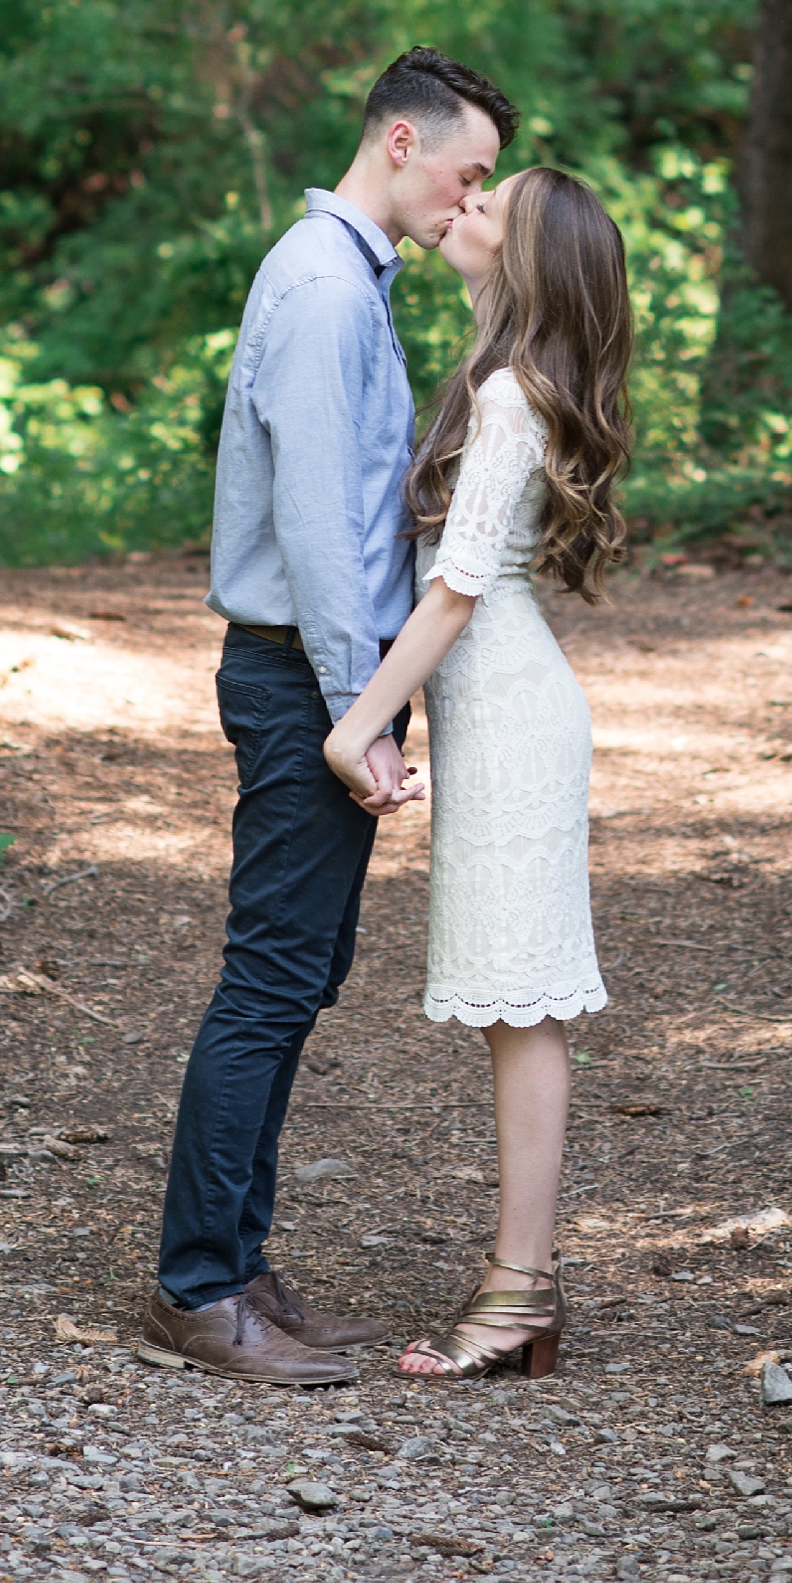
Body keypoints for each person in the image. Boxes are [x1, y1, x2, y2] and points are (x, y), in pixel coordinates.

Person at [142, 46, 518, 1389]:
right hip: (306, 674)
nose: (469, 200)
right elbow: (316, 525)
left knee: (297, 975)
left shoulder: (352, 280)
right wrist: (361, 707)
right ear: (402, 143)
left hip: (328, 675)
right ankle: (197, 1286)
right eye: (467, 172)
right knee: (268, 980)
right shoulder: (318, 287)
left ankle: (238, 1263)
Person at [320, 165, 632, 1381]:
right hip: (506, 707)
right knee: (520, 1010)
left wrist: (361, 726)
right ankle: (522, 1290)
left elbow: (454, 590)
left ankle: (517, 1296)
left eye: (487, 208)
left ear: (527, 258)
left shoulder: (509, 394)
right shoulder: (505, 382)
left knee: (519, 1009)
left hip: (507, 712)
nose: (461, 211)